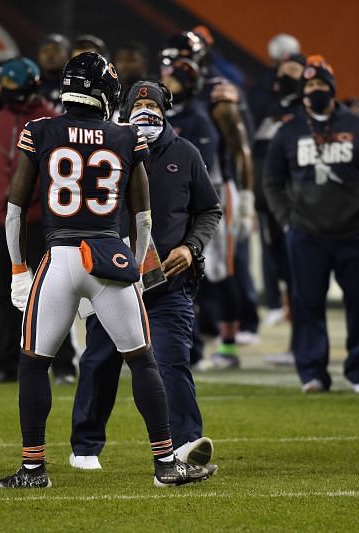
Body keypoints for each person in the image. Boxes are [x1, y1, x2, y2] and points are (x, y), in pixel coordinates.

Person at [0, 52, 217, 489]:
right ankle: (165, 464)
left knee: (33, 365)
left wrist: (17, 268)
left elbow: (14, 210)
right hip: (111, 257)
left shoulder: (40, 130)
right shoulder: (126, 138)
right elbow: (142, 219)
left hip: (60, 256)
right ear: (105, 92)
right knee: (143, 363)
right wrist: (138, 267)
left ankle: (33, 468)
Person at [69, 81, 222, 470]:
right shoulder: (105, 150)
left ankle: (187, 444)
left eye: (153, 106)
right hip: (112, 279)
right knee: (99, 361)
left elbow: (209, 210)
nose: (145, 113)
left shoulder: (186, 153)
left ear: (166, 110)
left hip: (168, 284)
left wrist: (191, 247)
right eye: (137, 106)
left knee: (171, 361)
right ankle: (85, 447)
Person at [263, 55, 359, 393]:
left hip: (358, 232)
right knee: (307, 306)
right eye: (311, 86)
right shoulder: (288, 130)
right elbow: (272, 180)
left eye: (321, 85)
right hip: (306, 233)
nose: (316, 90)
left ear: (332, 88)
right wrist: (287, 219)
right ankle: (313, 373)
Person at [0, 57, 79, 384]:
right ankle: (5, 364)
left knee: (51, 293)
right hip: (2, 221)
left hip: (38, 221)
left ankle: (63, 366)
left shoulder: (51, 120)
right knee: (7, 293)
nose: (10, 93)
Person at [161, 31, 255, 368]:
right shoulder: (162, 100)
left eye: (179, 61)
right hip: (178, 193)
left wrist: (245, 197)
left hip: (215, 187)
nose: (169, 72)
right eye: (168, 63)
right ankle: (190, 339)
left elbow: (239, 145)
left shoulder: (217, 92)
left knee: (218, 269)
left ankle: (227, 342)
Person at [252, 53, 306, 367]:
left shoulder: (305, 112)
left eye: (294, 71)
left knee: (302, 279)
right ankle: (296, 344)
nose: (287, 76)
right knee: (286, 275)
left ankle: (305, 345)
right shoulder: (268, 109)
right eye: (283, 71)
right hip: (270, 206)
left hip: (297, 207)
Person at [36, 33, 69, 112]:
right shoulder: (32, 85)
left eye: (56, 50)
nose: (50, 55)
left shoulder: (77, 85)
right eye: (45, 51)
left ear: (68, 55)